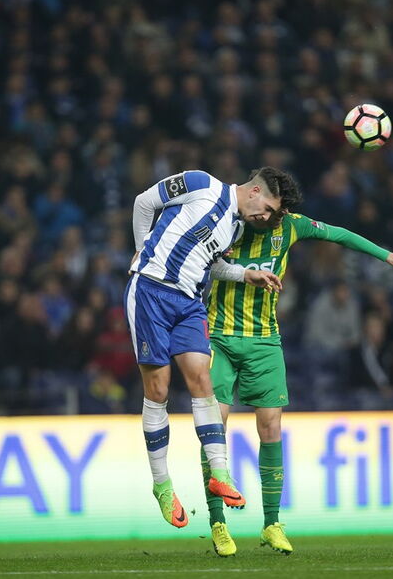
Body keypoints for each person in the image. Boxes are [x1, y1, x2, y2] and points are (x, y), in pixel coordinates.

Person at [202, 203, 393, 556]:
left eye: (275, 214)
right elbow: (203, 263)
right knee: (215, 426)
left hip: (265, 341)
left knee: (271, 429)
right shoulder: (230, 223)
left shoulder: (291, 225)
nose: (267, 219)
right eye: (264, 212)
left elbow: (341, 235)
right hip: (219, 336)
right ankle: (218, 525)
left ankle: (272, 524)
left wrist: (392, 258)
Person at [126, 167, 297, 529]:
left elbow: (210, 264)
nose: (265, 218)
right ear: (254, 191)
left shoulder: (234, 227)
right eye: (266, 207)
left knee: (201, 380)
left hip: (189, 301)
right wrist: (143, 250)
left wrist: (245, 273)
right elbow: (144, 202)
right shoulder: (201, 184)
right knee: (157, 390)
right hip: (152, 291)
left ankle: (220, 472)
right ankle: (163, 486)